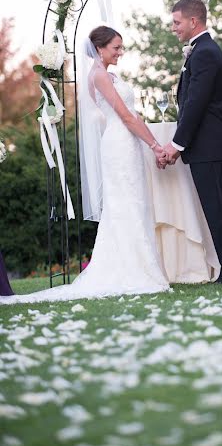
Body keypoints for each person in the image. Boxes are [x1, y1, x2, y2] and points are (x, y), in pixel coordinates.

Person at [0, 26, 170, 304]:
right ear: (99, 48)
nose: (120, 52)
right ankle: (133, 271)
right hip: (120, 143)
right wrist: (155, 146)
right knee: (125, 204)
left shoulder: (108, 75)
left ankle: (140, 267)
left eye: (121, 47)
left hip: (127, 143)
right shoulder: (99, 76)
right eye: (116, 47)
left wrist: (150, 144)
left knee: (134, 202)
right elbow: (126, 117)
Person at [163, 0, 222, 284]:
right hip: (207, 146)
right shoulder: (200, 51)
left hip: (210, 144)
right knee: (218, 210)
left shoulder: (204, 53)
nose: (174, 28)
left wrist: (177, 145)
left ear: (193, 21)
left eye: (177, 22)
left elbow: (195, 104)